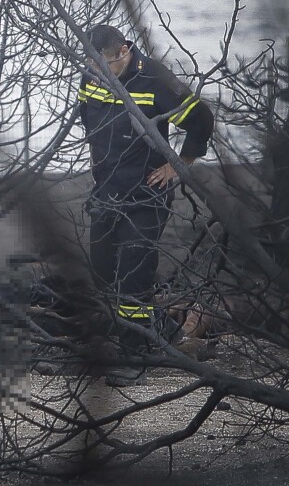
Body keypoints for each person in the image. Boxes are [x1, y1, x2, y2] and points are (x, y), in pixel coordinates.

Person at [77, 24, 214, 386]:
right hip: (106, 190)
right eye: (90, 63)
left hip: (146, 193)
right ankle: (166, 332)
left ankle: (135, 357)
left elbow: (201, 119)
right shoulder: (92, 74)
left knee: (133, 279)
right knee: (103, 271)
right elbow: (87, 117)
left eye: (102, 63)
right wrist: (96, 159)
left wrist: (180, 164)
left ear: (123, 51)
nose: (95, 70)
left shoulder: (154, 78)